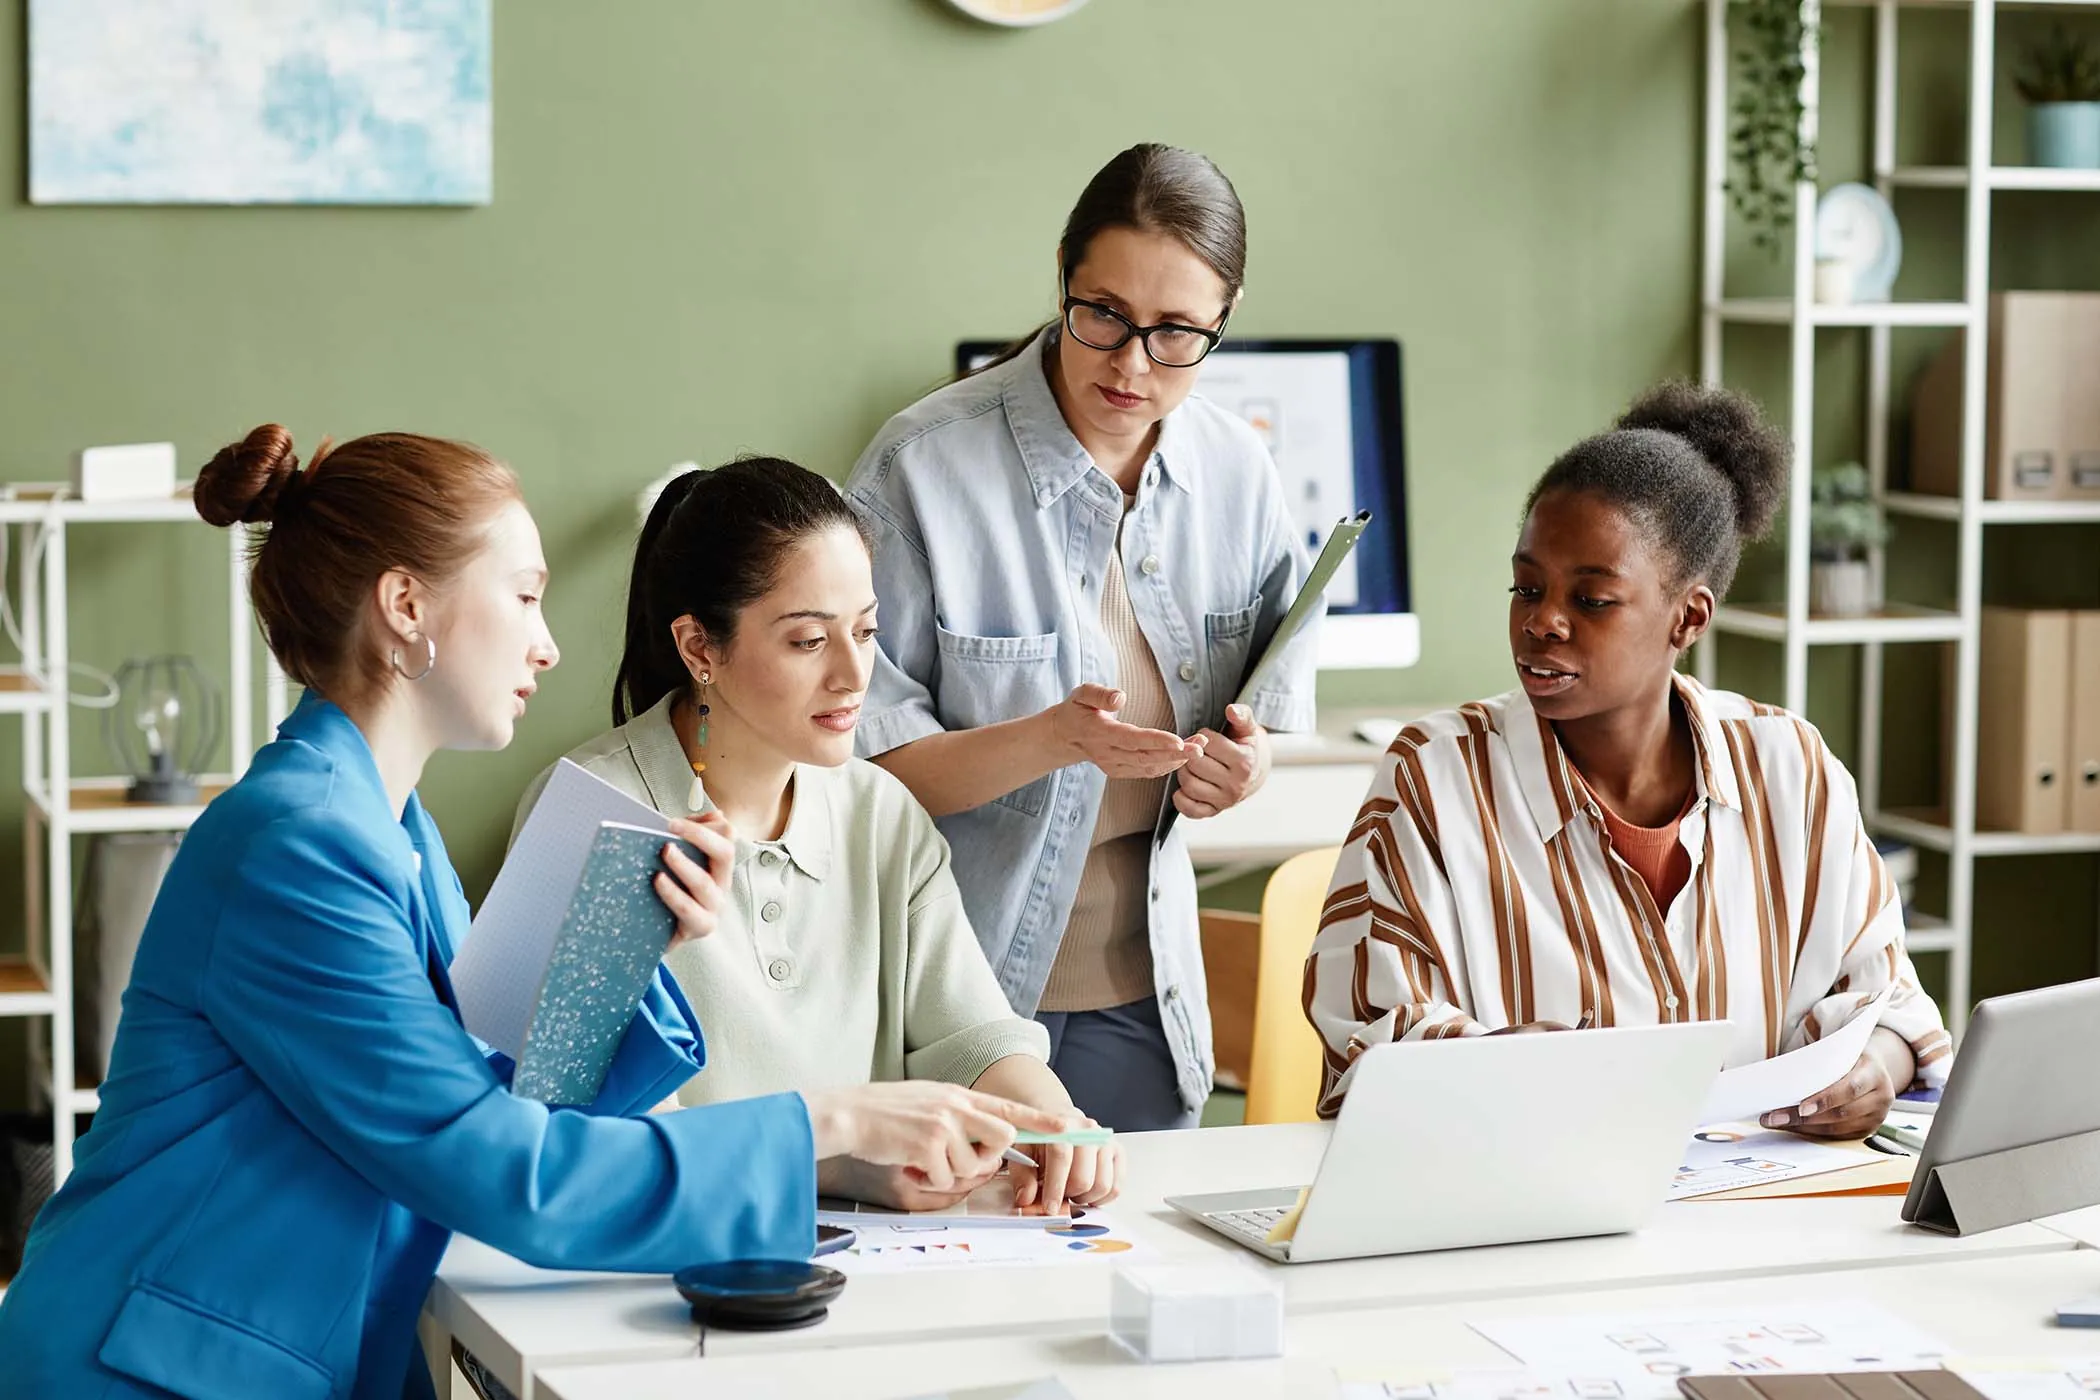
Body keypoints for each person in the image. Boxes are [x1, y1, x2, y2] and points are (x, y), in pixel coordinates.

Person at [0, 427, 1064, 1400]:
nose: (550, 646)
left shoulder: (387, 824)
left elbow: (519, 1078)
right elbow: (498, 1164)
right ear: (406, 608)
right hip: (155, 1367)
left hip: (291, 1347)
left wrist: (628, 937)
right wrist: (833, 1122)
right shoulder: (299, 844)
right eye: (523, 596)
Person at [1303, 383, 1952, 1136]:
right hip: (1529, 1210)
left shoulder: (1791, 768)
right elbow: (1368, 1032)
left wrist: (1877, 1069)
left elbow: (1891, 1002)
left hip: (1761, 1209)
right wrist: (1493, 1061)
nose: (1541, 622)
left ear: (1689, 617)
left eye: (1592, 600)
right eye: (1527, 587)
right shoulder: (1436, 775)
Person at [845, 143, 1319, 1132]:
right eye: (1103, 313)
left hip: (1147, 998)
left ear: (1225, 316)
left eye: (1178, 332)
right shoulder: (921, 467)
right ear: (1063, 272)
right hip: (949, 1002)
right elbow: (859, 775)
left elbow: (1262, 711)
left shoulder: (1238, 473)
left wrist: (1247, 765)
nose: (1131, 363)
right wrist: (1052, 738)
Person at [515, 457, 1118, 1213]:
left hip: (862, 1265)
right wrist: (840, 1167)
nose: (852, 674)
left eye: (866, 631)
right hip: (661, 1266)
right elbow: (579, 1135)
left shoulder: (881, 813)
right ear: (700, 648)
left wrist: (1051, 1126)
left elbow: (974, 1037)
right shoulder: (590, 811)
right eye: (808, 641)